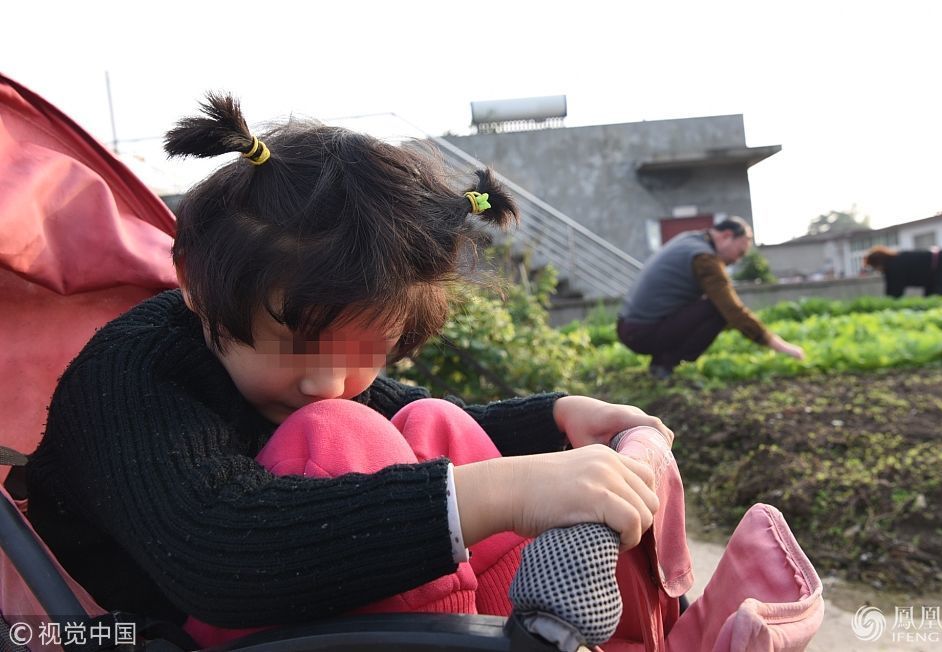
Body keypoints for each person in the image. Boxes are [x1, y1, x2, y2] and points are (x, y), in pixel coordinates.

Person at [25, 94, 672, 643]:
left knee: (433, 421)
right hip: (135, 628)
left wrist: (558, 421)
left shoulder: (302, 378)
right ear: (194, 283)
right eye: (299, 347)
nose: (328, 384)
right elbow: (221, 550)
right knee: (344, 433)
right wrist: (505, 492)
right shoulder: (133, 373)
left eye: (371, 352)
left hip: (283, 618)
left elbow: (404, 408)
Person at [617, 217, 805, 379]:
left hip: (629, 327)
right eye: (740, 253)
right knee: (717, 309)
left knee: (710, 306)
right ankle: (665, 364)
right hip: (642, 333)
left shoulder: (688, 240)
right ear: (726, 236)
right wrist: (780, 345)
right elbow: (732, 310)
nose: (737, 260)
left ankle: (662, 362)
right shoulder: (704, 258)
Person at [863, 245, 942, 298]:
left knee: (938, 299)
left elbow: (894, 293)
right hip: (939, 266)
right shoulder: (896, 261)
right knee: (931, 299)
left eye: (873, 266)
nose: (876, 270)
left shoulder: (894, 266)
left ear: (878, 262)